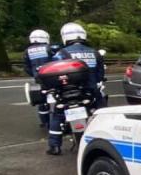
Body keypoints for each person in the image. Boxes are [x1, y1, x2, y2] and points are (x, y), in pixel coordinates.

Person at [46, 23, 106, 155]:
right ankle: (104, 140)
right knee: (102, 113)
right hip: (90, 92)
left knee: (57, 115)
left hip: (68, 93)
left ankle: (54, 146)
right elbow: (101, 75)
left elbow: (54, 72)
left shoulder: (61, 53)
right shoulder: (95, 53)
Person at [23, 29, 54, 128]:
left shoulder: (27, 51)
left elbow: (26, 67)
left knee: (42, 101)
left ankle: (44, 121)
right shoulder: (49, 48)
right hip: (52, 76)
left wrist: (34, 74)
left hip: (39, 78)